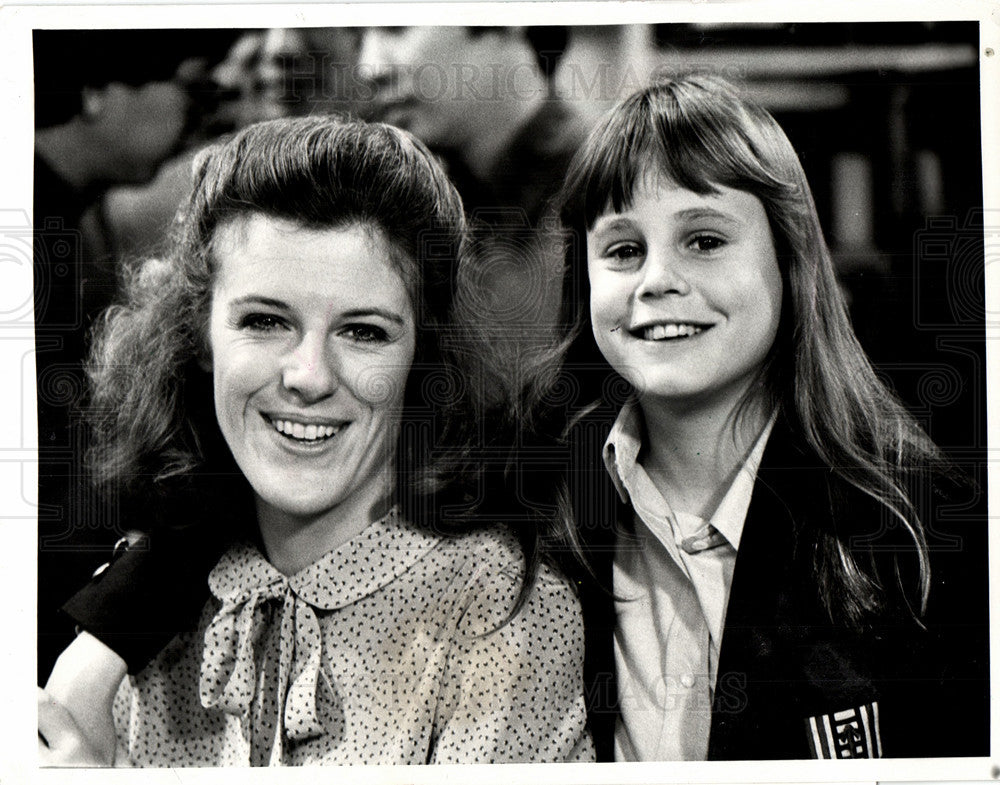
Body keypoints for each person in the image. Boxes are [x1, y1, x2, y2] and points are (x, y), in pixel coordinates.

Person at [38, 116, 592, 766]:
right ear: (199, 336)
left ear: (424, 355)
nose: (308, 377)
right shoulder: (152, 600)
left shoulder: (501, 608)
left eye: (363, 332)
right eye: (265, 320)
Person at [548, 75, 988, 761]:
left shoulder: (930, 527)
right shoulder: (533, 517)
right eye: (624, 249)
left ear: (790, 259)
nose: (657, 278)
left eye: (704, 240)